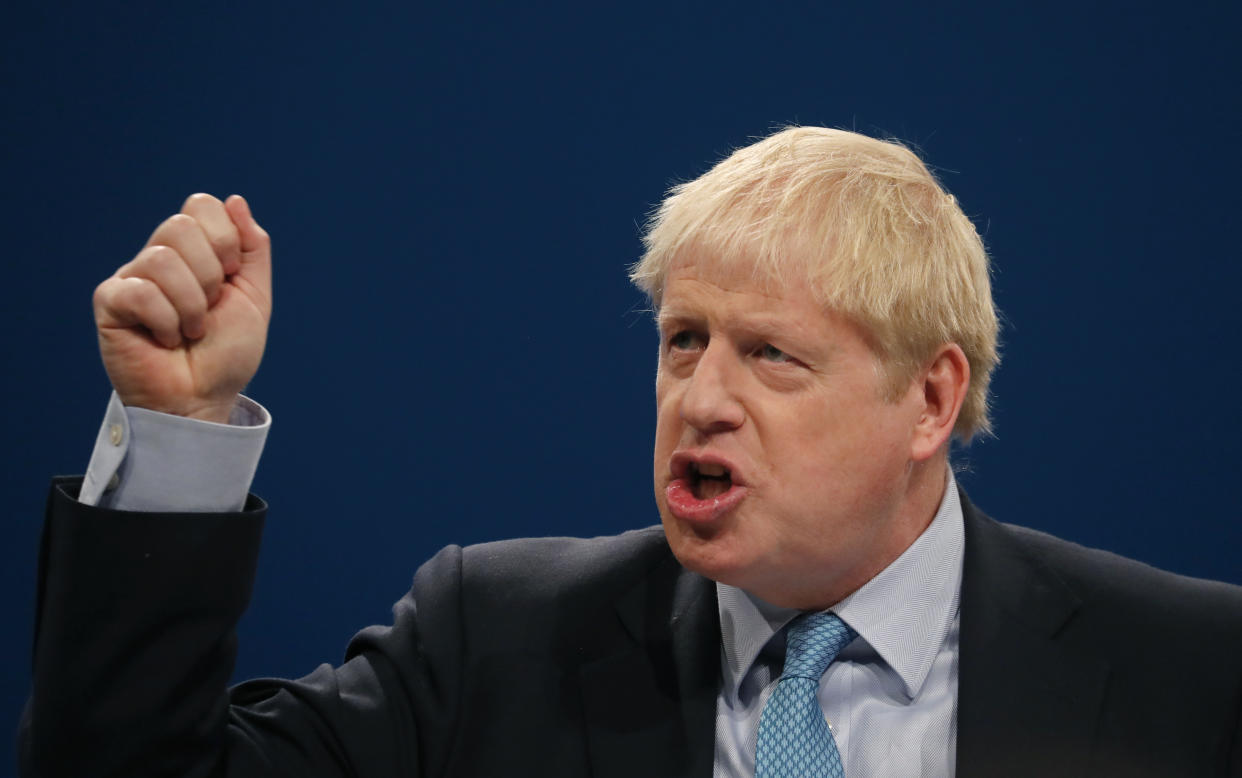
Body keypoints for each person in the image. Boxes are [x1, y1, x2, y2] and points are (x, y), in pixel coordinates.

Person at [20, 127, 1242, 777]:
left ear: (930, 401)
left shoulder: (1192, 677)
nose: (700, 396)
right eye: (683, 340)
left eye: (770, 354)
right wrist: (177, 430)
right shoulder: (489, 641)